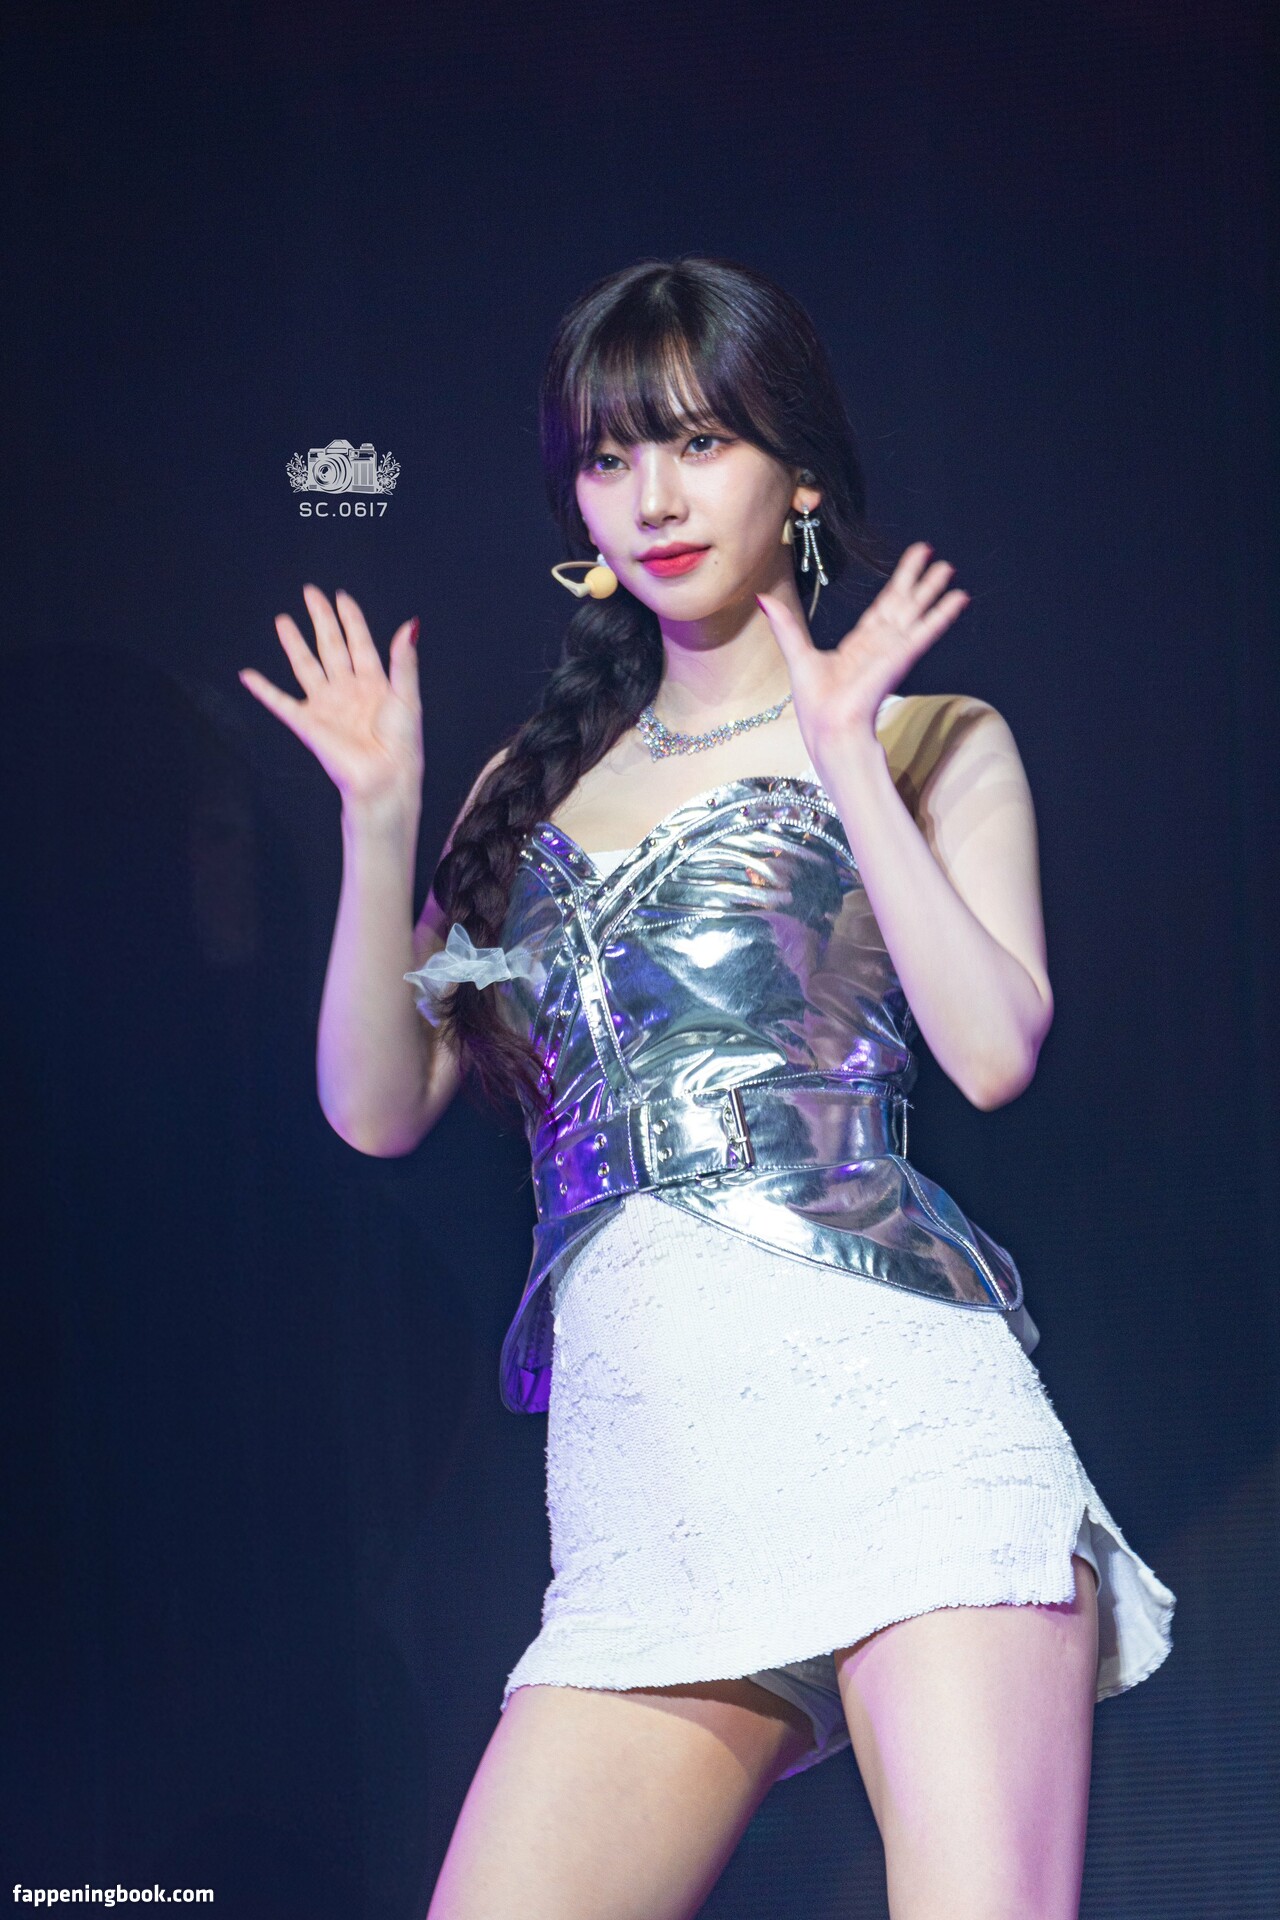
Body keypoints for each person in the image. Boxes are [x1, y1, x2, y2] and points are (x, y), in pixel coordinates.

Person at [239, 257, 1175, 1920]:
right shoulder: (529, 787)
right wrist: (381, 821)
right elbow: (376, 1108)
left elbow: (992, 1050)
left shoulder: (931, 736)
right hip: (647, 1508)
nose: (654, 499)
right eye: (611, 458)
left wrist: (844, 759)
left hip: (905, 1441)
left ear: (797, 472)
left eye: (698, 442)